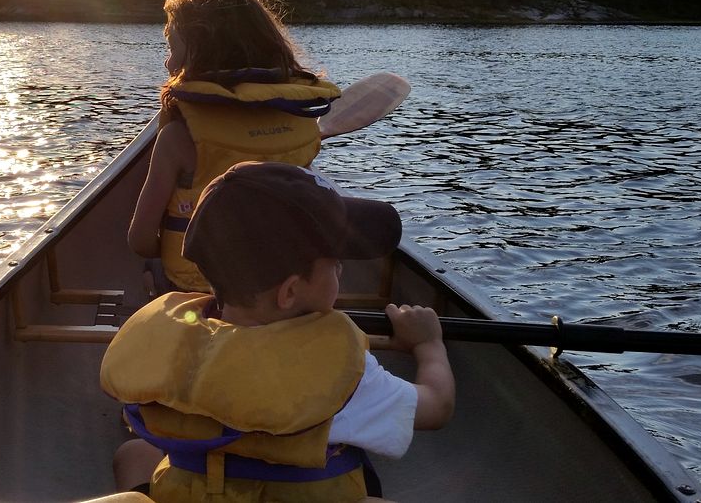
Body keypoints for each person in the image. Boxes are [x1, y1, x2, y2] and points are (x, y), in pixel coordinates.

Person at [102, 162, 455, 502]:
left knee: (133, 453)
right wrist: (427, 343)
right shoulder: (341, 373)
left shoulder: (174, 352)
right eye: (334, 265)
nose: (341, 271)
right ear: (289, 292)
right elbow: (437, 407)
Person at [127, 0, 398, 295]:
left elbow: (140, 239)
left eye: (172, 49)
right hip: (279, 290)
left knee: (152, 268)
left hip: (198, 288)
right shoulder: (301, 127)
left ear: (198, 59)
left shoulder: (178, 137)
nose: (167, 61)